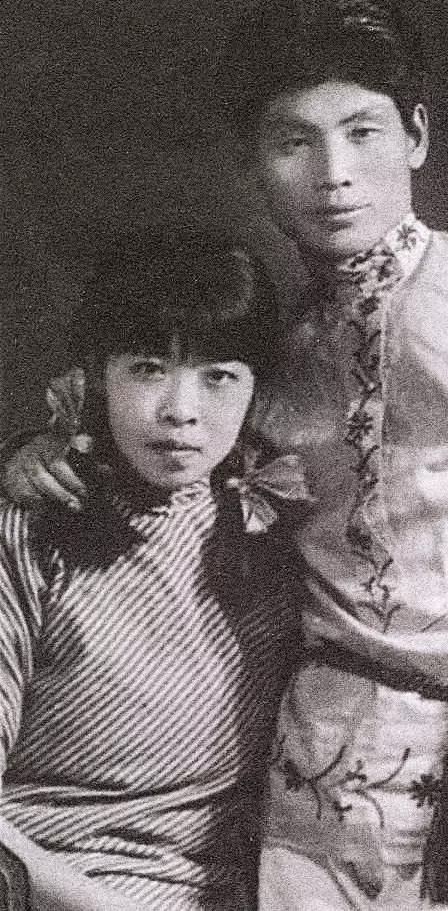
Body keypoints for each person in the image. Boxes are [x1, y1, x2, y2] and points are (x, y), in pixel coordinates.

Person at [4, 0, 448, 911]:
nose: (333, 174)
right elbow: (163, 448)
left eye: (362, 133)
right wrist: (34, 451)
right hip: (311, 792)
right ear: (254, 163)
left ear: (417, 137)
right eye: (294, 142)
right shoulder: (265, 354)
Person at [0, 230, 308, 910]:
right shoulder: (28, 529)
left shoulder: (283, 534)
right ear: (94, 377)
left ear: (257, 391)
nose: (180, 411)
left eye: (218, 376)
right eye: (146, 369)